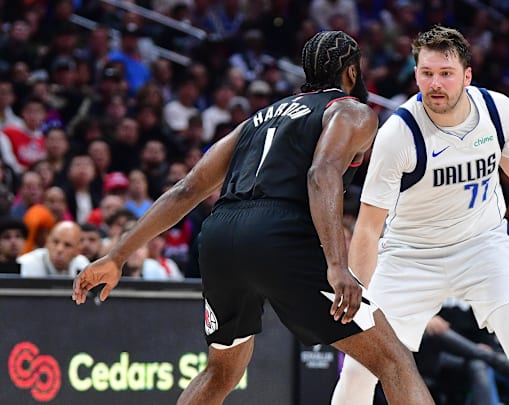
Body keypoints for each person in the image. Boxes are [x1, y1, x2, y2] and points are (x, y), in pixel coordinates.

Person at [72, 31, 434, 405]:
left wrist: (117, 256)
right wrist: (337, 265)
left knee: (221, 371)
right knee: (395, 361)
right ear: (354, 72)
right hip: (280, 234)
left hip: (219, 235)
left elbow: (187, 189)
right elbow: (320, 174)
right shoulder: (352, 111)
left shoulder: (257, 119)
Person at [331, 26, 509, 405]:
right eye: (426, 73)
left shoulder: (498, 110)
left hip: (482, 246)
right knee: (361, 364)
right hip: (411, 255)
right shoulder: (398, 134)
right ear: (416, 73)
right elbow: (369, 228)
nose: (435, 83)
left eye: (446, 73)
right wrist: (360, 295)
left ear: (466, 75)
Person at [19, 220, 89, 277]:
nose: (59, 249)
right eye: (55, 242)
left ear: (78, 251)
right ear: (47, 243)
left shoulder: (82, 265)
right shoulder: (27, 264)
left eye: (68, 245)